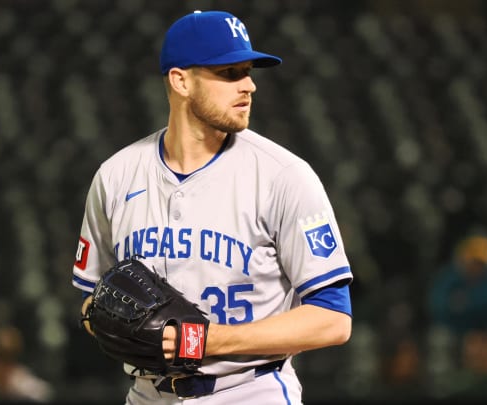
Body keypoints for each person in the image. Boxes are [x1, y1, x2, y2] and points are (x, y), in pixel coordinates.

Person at [71, 9, 353, 405]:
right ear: (180, 81)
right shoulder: (116, 176)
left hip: (250, 391)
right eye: (230, 73)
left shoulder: (284, 176)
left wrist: (208, 340)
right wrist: (109, 325)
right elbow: (92, 296)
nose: (250, 85)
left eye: (249, 71)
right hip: (147, 395)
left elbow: (333, 320)